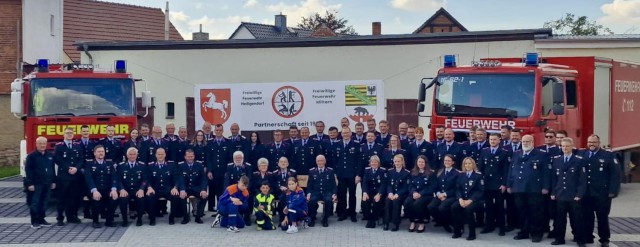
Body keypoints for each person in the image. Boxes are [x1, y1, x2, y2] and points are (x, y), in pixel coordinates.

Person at [507, 134, 550, 243]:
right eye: (524, 141)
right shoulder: (517, 153)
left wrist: (545, 186)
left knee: (535, 212)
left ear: (532, 142)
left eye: (527, 141)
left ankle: (536, 233)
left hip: (534, 188)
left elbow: (546, 172)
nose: (525, 143)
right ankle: (524, 231)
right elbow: (511, 170)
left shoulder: (541, 154)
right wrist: (509, 185)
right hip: (518, 187)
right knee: (521, 211)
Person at [581, 134, 620, 247]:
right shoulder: (583, 154)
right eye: (589, 142)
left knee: (602, 217)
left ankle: (604, 239)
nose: (591, 144)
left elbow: (615, 175)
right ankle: (588, 236)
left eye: (594, 142)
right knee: (587, 216)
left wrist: (613, 191)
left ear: (599, 143)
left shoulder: (608, 155)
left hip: (602, 193)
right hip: (587, 193)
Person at [550, 137, 587, 247]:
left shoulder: (579, 160)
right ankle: (559, 239)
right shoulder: (557, 160)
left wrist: (579, 194)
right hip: (560, 194)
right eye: (563, 146)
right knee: (559, 219)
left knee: (577, 219)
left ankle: (580, 240)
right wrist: (553, 192)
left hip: (573, 195)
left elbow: (582, 180)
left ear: (572, 147)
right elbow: (554, 179)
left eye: (567, 146)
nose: (565, 148)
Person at [476, 133, 509, 236]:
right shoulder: (484, 151)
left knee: (500, 206)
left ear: (499, 140)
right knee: (489, 206)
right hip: (487, 183)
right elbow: (480, 168)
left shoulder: (504, 152)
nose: (492, 141)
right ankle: (489, 226)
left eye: (495, 139)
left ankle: (501, 227)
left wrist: (504, 184)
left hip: (498, 184)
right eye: (491, 139)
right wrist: (480, 182)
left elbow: (506, 170)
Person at [53, 127, 83, 226]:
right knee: (62, 198)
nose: (69, 134)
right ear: (64, 134)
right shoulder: (59, 146)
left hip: (75, 176)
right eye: (67, 133)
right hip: (64, 176)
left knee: (74, 198)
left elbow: (81, 159)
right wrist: (68, 168)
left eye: (71, 133)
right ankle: (60, 218)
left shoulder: (77, 145)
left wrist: (76, 168)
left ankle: (72, 216)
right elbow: (57, 159)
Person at [25, 136, 56, 229]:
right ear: (36, 144)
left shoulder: (50, 155)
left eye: (44, 143)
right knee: (35, 203)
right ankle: (34, 221)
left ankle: (42, 219)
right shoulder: (31, 156)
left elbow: (52, 169)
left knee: (44, 203)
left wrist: (53, 181)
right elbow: (28, 171)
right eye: (40, 143)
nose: (42, 145)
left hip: (47, 183)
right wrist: (30, 184)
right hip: (36, 184)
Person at [84, 145, 119, 228]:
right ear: (94, 153)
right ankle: (95, 221)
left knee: (114, 198)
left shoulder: (109, 163)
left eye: (102, 151)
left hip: (107, 189)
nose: (101, 153)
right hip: (95, 189)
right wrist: (94, 190)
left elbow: (114, 177)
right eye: (99, 152)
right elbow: (89, 178)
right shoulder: (89, 163)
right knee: (96, 199)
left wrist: (114, 189)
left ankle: (109, 220)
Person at [146, 148, 182, 225]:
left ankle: (171, 218)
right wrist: (149, 187)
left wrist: (175, 187)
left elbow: (177, 178)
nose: (160, 156)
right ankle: (152, 218)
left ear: (165, 155)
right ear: (155, 155)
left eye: (162, 154)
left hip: (168, 189)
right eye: (159, 154)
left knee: (175, 196)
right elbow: (147, 179)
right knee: (149, 197)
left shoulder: (171, 165)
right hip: (155, 189)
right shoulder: (150, 166)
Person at [451, 157, 484, 241]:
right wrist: (460, 199)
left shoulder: (478, 176)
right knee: (454, 207)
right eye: (466, 163)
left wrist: (470, 200)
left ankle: (472, 234)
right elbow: (457, 188)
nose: (467, 165)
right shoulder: (461, 175)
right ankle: (457, 231)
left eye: (469, 163)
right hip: (463, 199)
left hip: (474, 200)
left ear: (473, 164)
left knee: (469, 210)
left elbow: (480, 191)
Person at [333, 127, 361, 222]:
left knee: (352, 195)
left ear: (350, 134)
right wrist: (335, 174)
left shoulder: (356, 144)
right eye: (344, 133)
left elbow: (359, 161)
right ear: (341, 134)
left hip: (352, 174)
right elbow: (334, 161)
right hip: (341, 174)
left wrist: (358, 175)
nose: (345, 134)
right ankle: (343, 213)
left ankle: (353, 213)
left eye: (347, 133)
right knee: (342, 194)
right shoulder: (337, 144)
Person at [404, 155, 437, 233]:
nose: (420, 163)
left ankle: (421, 223)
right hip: (414, 193)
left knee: (417, 204)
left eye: (422, 162)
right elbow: (410, 185)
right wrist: (414, 192)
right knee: (407, 203)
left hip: (426, 195)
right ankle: (412, 221)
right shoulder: (412, 172)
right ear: (416, 163)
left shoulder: (431, 173)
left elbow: (432, 187)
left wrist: (421, 194)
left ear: (426, 163)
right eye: (419, 162)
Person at [116, 147, 147, 226]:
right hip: (126, 190)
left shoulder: (142, 165)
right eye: (130, 154)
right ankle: (125, 220)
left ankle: (139, 219)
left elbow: (145, 179)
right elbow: (118, 180)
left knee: (141, 199)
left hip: (137, 189)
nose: (132, 156)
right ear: (127, 155)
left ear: (137, 155)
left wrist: (141, 189)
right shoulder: (121, 166)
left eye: (134, 154)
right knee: (123, 199)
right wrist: (121, 189)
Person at [428, 154, 459, 233]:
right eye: (445, 160)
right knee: (431, 207)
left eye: (449, 160)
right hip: (439, 195)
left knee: (442, 207)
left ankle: (448, 224)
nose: (447, 162)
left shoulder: (457, 173)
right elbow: (436, 185)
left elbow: (456, 188)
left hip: (451, 196)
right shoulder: (440, 171)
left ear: (452, 162)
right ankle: (441, 221)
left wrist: (445, 194)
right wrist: (438, 193)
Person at [307, 155, 337, 227]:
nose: (320, 162)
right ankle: (312, 218)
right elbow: (309, 185)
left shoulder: (330, 171)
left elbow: (333, 184)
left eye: (322, 160)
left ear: (325, 161)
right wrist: (308, 193)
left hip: (326, 192)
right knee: (312, 201)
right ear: (316, 162)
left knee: (329, 201)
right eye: (318, 161)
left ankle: (325, 219)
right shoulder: (312, 171)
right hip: (316, 192)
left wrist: (334, 193)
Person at [179, 150, 208, 224]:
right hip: (186, 188)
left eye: (191, 156)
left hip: (196, 188)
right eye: (188, 156)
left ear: (194, 156)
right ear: (185, 157)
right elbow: (180, 179)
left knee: (204, 197)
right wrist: (182, 190)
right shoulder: (181, 166)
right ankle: (185, 217)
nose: (190, 158)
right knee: (181, 197)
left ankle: (198, 217)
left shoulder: (199, 165)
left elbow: (203, 179)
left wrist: (203, 189)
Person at [207, 124, 231, 213]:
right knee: (213, 190)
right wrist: (209, 170)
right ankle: (213, 207)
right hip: (213, 171)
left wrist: (227, 171)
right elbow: (208, 158)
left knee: (222, 191)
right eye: (217, 130)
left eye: (220, 130)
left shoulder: (228, 142)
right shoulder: (210, 142)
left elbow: (230, 158)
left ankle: (220, 209)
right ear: (214, 131)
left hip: (223, 171)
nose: (218, 132)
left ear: (222, 131)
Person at [383, 154, 410, 231]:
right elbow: (388, 184)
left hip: (401, 194)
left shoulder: (407, 173)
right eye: (395, 161)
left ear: (402, 162)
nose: (397, 163)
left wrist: (397, 194)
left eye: (398, 161)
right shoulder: (390, 171)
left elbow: (406, 187)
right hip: (392, 193)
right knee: (387, 201)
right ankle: (386, 222)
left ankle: (396, 223)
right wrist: (390, 193)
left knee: (396, 202)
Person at [224, 151, 252, 224]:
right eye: (236, 158)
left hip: (244, 189)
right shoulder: (229, 166)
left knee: (249, 198)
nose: (238, 159)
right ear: (233, 159)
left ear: (243, 158)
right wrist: (227, 189)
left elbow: (249, 179)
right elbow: (227, 180)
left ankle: (247, 217)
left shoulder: (247, 166)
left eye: (240, 158)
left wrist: (244, 188)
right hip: (233, 189)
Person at [361, 155, 387, 228]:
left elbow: (383, 184)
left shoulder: (383, 170)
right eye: (372, 162)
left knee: (376, 203)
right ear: (370, 163)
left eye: (375, 162)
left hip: (379, 192)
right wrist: (365, 193)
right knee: (364, 202)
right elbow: (365, 182)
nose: (373, 164)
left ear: (378, 163)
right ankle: (370, 218)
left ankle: (372, 220)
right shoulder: (367, 170)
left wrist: (379, 194)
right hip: (369, 192)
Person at [77, 125, 96, 219]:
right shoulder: (76, 143)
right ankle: (85, 212)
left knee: (90, 191)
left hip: (91, 170)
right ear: (81, 132)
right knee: (82, 192)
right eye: (84, 131)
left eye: (87, 131)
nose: (85, 133)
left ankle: (91, 212)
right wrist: (80, 168)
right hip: (80, 171)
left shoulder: (93, 143)